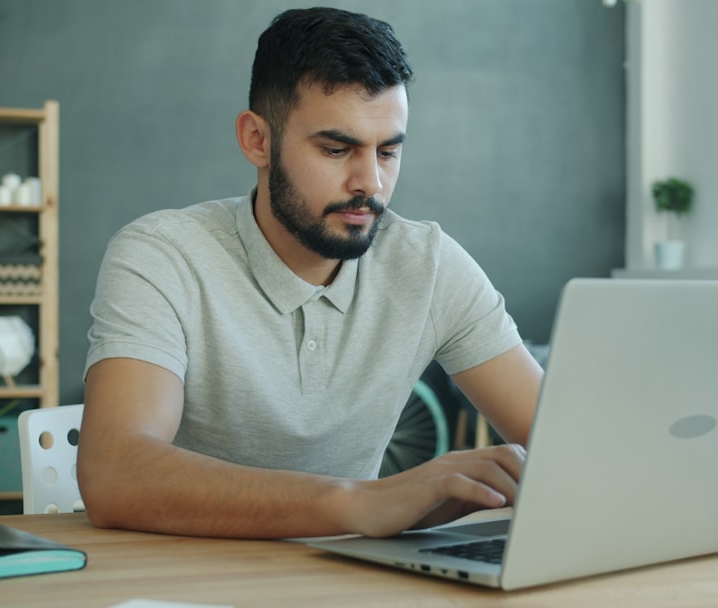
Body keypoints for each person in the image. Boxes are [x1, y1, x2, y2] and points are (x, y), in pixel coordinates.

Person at [78, 6, 544, 540]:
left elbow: (569, 444)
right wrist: (357, 503)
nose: (369, 183)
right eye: (336, 149)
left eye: (389, 152)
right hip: (183, 582)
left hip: (349, 582)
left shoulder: (429, 265)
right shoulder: (161, 256)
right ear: (257, 140)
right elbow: (115, 473)